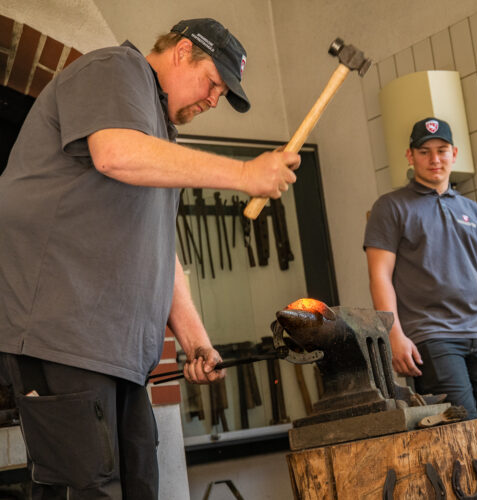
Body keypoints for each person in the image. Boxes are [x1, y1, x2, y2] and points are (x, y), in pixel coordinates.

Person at [0, 18, 300, 499]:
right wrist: (244, 173)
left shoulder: (161, 136)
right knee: (89, 492)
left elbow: (159, 247)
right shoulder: (116, 68)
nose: (212, 99)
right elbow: (113, 153)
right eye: (213, 83)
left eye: (221, 94)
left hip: (118, 352)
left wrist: (195, 339)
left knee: (138, 488)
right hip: (62, 332)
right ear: (182, 52)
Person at [363, 117, 477, 431]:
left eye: (441, 150)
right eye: (424, 152)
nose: (434, 159)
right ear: (410, 157)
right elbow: (379, 276)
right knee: (459, 428)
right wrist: (395, 335)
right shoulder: (391, 207)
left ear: (454, 154)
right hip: (432, 336)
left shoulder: (472, 210)